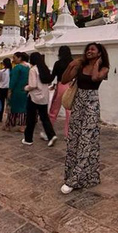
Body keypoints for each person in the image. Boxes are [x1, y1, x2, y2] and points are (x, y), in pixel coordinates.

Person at [60, 42, 109, 194]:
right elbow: (64, 80)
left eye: (93, 49)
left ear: (99, 53)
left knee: (86, 142)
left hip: (91, 107)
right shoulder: (80, 67)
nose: (89, 51)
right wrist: (70, 65)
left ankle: (74, 179)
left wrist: (97, 63)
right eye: (88, 49)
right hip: (78, 105)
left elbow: (95, 78)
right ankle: (79, 176)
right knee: (74, 140)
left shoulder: (104, 68)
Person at [23, 52, 58, 146]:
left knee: (31, 118)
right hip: (44, 97)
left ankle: (28, 139)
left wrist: (26, 88)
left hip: (34, 97)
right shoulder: (44, 69)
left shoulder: (33, 70)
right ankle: (51, 135)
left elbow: (33, 85)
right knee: (44, 117)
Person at [49, 45, 74, 137]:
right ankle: (68, 133)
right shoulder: (73, 63)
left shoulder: (58, 63)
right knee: (69, 110)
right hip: (70, 85)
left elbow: (53, 76)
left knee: (54, 109)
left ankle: (49, 130)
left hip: (61, 85)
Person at [5, 52, 30, 132]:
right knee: (23, 108)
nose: (13, 59)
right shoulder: (29, 67)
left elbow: (13, 80)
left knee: (13, 108)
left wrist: (10, 90)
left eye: (15, 58)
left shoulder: (17, 68)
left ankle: (9, 124)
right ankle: (22, 126)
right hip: (25, 90)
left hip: (16, 90)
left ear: (20, 58)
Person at [0, 58, 12, 123]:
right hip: (9, 89)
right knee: (9, 104)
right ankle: (9, 118)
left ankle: (0, 118)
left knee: (1, 104)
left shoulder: (1, 71)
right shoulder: (12, 71)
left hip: (2, 89)